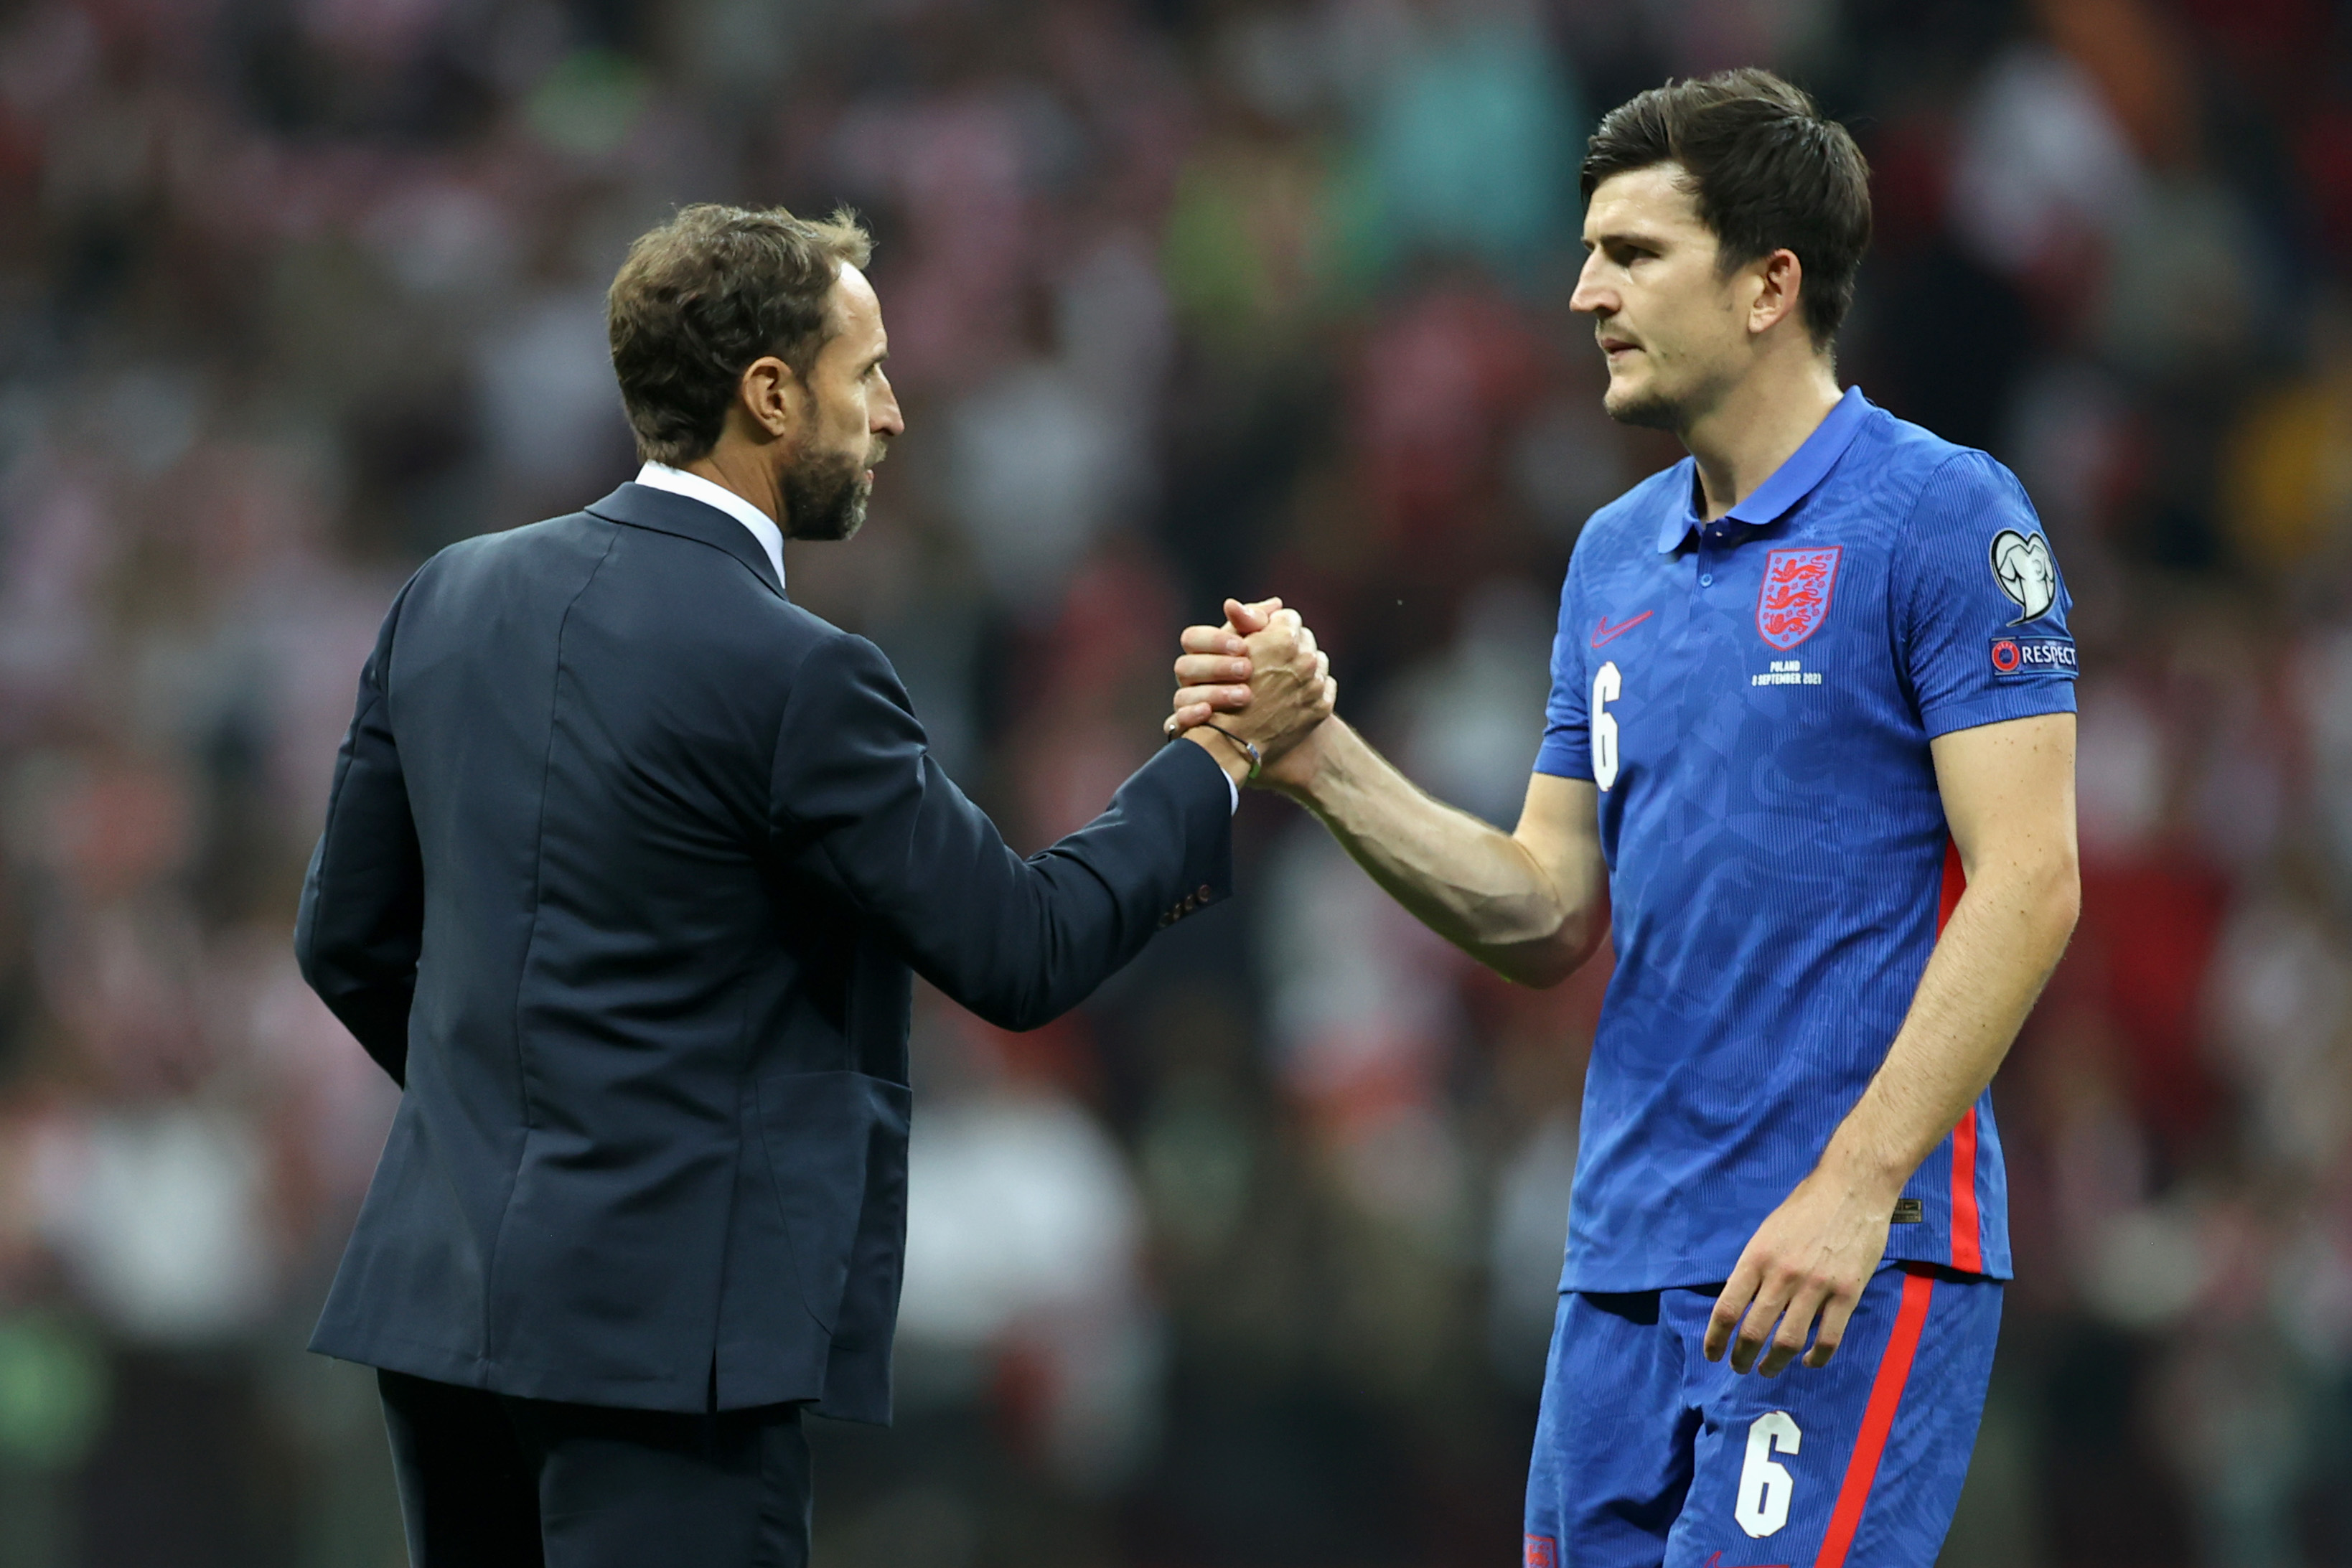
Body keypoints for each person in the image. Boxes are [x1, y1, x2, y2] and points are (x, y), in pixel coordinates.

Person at [294, 202, 1331, 1567]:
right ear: (770, 393)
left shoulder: (451, 596)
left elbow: (346, 942)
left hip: (440, 1315)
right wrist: (1217, 759)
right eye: (869, 373)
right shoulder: (799, 674)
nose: (893, 416)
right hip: (668, 1348)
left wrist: (513, 1115)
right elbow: (1020, 949)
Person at [1171, 70, 2080, 1568]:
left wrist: (1853, 1191)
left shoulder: (1941, 516)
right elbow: (1544, 907)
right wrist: (1320, 756)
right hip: (1621, 1262)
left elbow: (2031, 879)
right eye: (1590, 250)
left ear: (1767, 284)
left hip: (1842, 1253)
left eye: (1635, 253)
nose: (1585, 289)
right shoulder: (1611, 560)